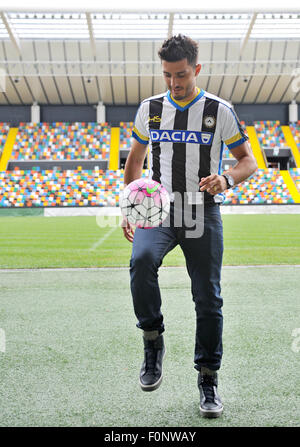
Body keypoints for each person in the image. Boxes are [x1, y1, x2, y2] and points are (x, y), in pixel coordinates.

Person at [121, 34, 257, 418]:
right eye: (167, 75)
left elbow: (247, 161)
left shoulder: (219, 110)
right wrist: (131, 207)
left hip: (201, 210)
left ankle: (208, 377)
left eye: (181, 75)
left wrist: (226, 179)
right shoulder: (149, 109)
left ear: (195, 69)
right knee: (141, 262)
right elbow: (135, 161)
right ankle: (152, 339)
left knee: (208, 298)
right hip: (159, 210)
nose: (174, 83)